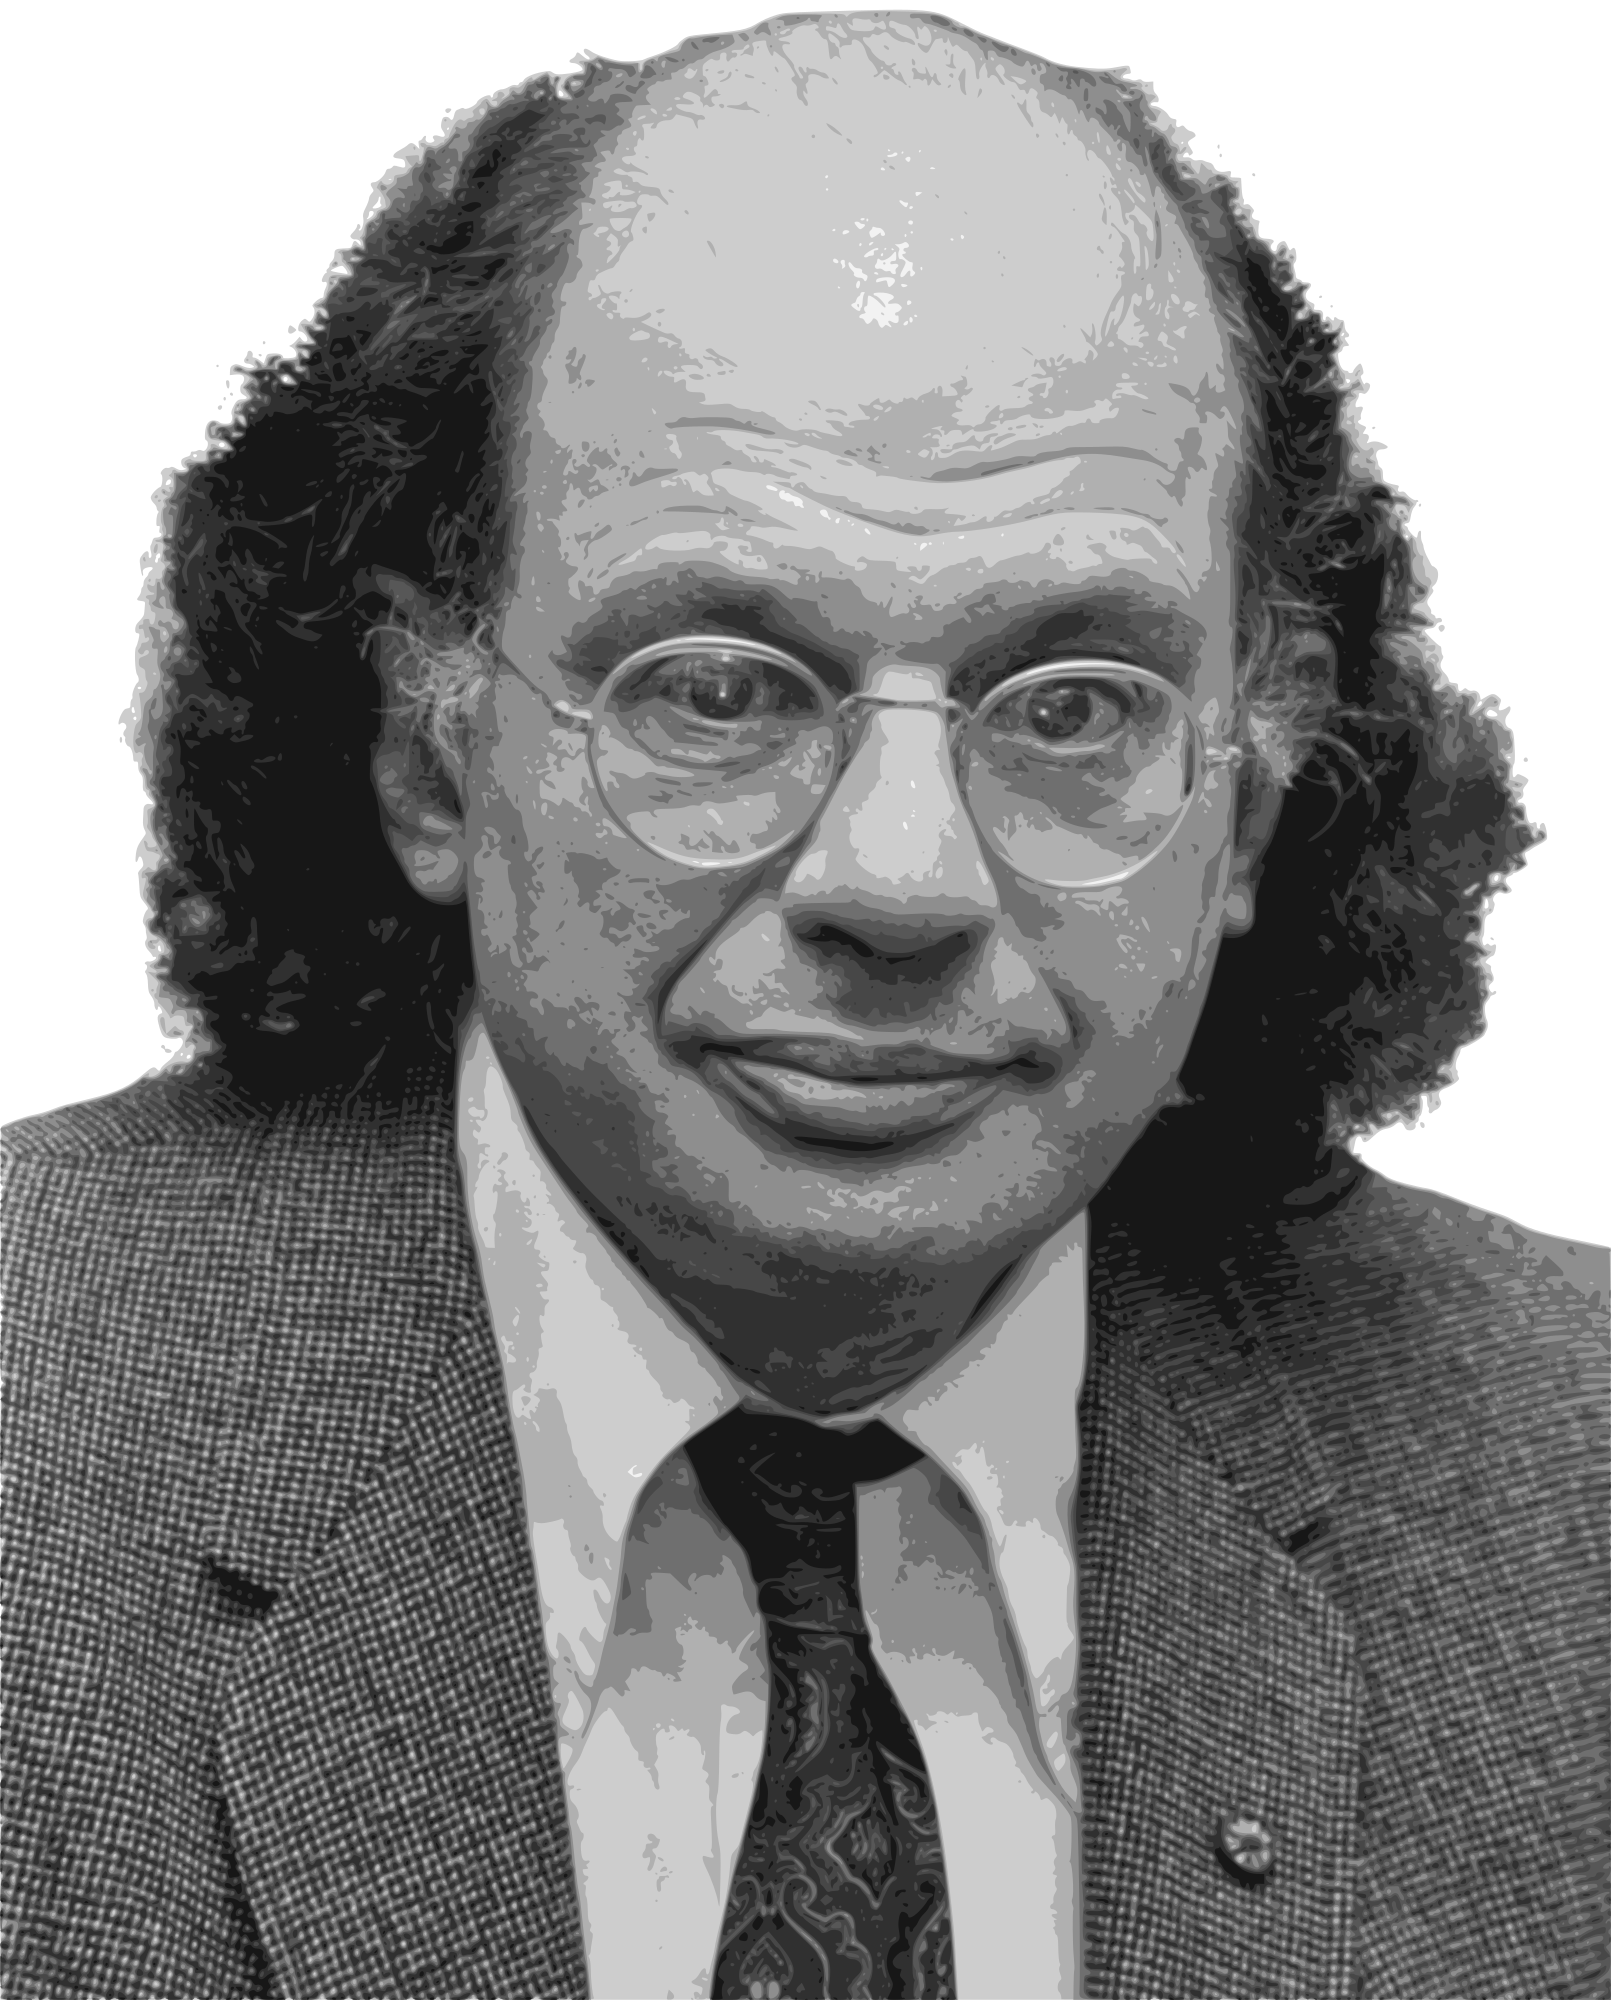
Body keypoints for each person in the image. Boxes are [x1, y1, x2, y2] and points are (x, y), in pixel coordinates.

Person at [4, 15, 1605, 1999]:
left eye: (1073, 707)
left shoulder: (1571, 1475)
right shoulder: (34, 1430)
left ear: (1253, 800)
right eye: (717, 690)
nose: (900, 878)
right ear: (429, 753)